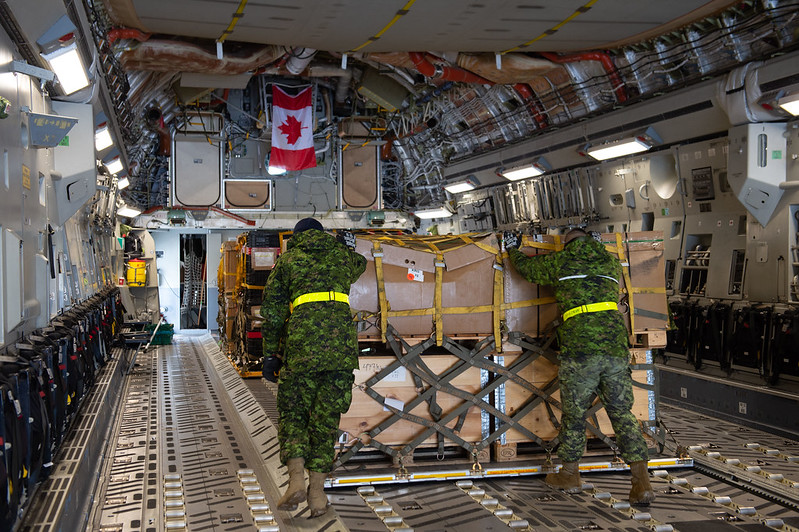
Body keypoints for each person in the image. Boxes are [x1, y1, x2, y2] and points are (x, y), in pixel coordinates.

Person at [504, 228, 655, 505]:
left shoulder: (562, 261)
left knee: (574, 414)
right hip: (614, 347)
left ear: (568, 243)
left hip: (581, 349)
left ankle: (570, 474)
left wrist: (512, 248)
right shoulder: (610, 262)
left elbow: (528, 270)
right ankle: (641, 483)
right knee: (622, 413)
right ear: (592, 241)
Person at [260, 217, 366, 517]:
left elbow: (273, 312)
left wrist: (270, 355)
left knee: (293, 411)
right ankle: (317, 495)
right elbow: (361, 264)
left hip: (302, 349)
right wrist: (345, 244)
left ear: (295, 237)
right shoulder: (343, 257)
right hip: (341, 352)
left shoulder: (288, 260)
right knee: (326, 418)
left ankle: (295, 480)